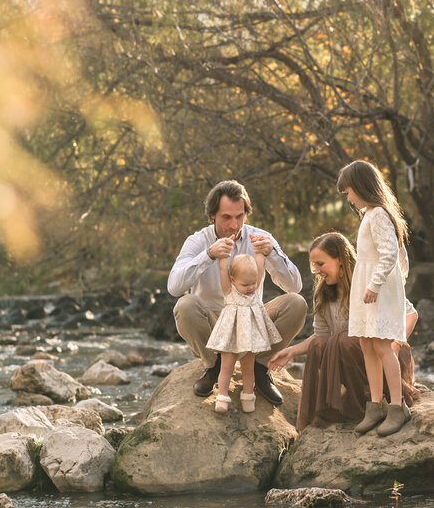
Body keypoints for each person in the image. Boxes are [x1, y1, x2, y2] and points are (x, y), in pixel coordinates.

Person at [168, 179, 307, 405]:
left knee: (297, 303)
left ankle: (260, 369)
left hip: (252, 323)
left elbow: (295, 286)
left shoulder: (260, 237)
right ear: (212, 215)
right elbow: (174, 287)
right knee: (184, 305)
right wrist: (208, 255)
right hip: (214, 323)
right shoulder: (197, 241)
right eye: (226, 217)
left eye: (239, 216)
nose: (234, 225)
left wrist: (272, 253)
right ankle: (212, 367)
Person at [268, 232, 418, 432]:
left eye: (320, 264)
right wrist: (291, 351)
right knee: (323, 344)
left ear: (339, 260)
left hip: (387, 355)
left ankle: (386, 400)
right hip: (356, 356)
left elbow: (410, 314)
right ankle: (362, 403)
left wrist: (394, 345)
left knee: (347, 339)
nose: (317, 271)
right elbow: (322, 337)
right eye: (314, 266)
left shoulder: (368, 282)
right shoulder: (323, 293)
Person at [337, 160, 413, 436]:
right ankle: (375, 405)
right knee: (367, 344)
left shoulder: (379, 214)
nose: (348, 198)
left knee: (381, 345)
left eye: (348, 192)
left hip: (376, 288)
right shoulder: (370, 213)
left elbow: (390, 252)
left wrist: (375, 284)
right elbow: (397, 256)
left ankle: (397, 406)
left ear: (360, 187)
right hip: (368, 286)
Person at [206, 253, 281, 413]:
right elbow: (222, 269)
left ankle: (248, 395)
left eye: (253, 283)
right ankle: (222, 397)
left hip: (250, 340)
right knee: (226, 368)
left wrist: (260, 253)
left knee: (248, 369)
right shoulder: (229, 291)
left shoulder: (254, 291)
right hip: (231, 338)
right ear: (233, 280)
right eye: (246, 284)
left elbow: (259, 269)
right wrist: (223, 257)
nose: (251, 288)